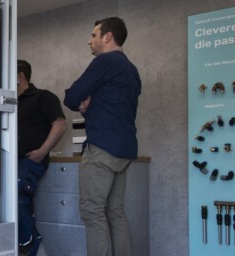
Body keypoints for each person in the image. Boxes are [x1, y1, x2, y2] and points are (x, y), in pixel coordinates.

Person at [63, 17, 141, 256]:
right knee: (115, 211)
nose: (90, 41)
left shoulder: (104, 62)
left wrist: (84, 103)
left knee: (92, 211)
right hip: (125, 149)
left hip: (102, 148)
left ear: (107, 37)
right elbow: (115, 104)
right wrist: (90, 106)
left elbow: (72, 96)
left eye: (94, 35)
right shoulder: (131, 69)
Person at [16, 60, 66, 256]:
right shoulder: (6, 103)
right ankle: (25, 243)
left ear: (19, 76)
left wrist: (42, 151)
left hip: (29, 161)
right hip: (6, 163)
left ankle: (29, 244)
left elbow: (60, 124)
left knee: (18, 197)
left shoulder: (42, 97)